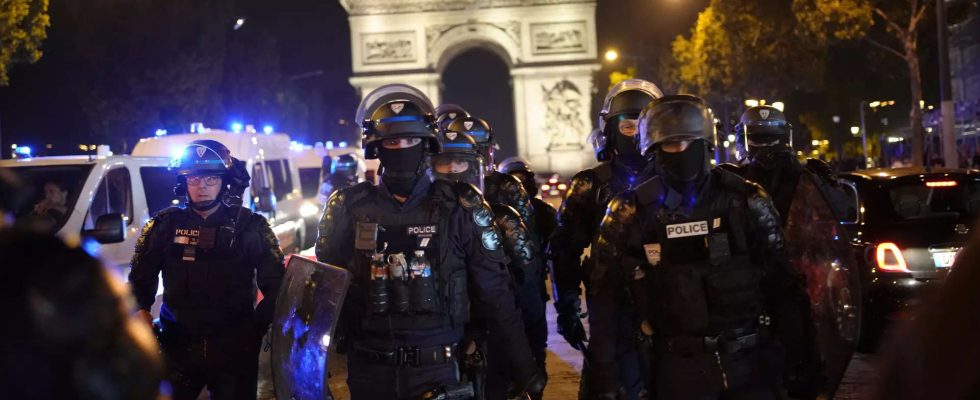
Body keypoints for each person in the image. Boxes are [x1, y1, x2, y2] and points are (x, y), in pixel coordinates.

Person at [315, 84, 544, 400]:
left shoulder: (463, 206)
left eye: (410, 140)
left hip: (440, 372)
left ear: (426, 145)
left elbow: (495, 295)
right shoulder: (347, 208)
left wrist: (525, 368)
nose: (401, 148)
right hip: (370, 371)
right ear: (376, 148)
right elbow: (324, 294)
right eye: (392, 141)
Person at [589, 95, 818, 400]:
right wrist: (605, 374)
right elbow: (607, 300)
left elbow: (784, 287)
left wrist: (803, 360)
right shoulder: (630, 212)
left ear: (706, 143)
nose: (682, 152)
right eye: (671, 145)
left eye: (689, 141)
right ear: (654, 150)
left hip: (752, 365)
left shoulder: (746, 200)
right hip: (676, 370)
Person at [128, 139, 285, 400]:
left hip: (234, 350)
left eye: (210, 179)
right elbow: (139, 283)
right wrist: (141, 314)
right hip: (176, 347)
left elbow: (277, 288)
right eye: (194, 179)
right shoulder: (163, 226)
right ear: (184, 183)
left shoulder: (251, 226)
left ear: (224, 182)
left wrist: (252, 332)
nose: (201, 186)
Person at [549, 78, 663, 399]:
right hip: (612, 315)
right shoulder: (590, 185)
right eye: (629, 127)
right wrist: (567, 305)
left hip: (673, 308)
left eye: (646, 126)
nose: (638, 136)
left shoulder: (682, 180)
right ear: (609, 131)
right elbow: (564, 250)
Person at [725, 105, 850, 223]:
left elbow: (840, 209)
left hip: (800, 244)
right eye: (758, 140)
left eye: (772, 141)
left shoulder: (809, 171)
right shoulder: (732, 178)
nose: (765, 149)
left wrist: (804, 176)